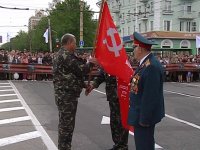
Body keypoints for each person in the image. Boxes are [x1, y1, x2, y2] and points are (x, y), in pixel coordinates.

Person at [53, 33, 96, 150]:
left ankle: (65, 147)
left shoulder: (64, 54)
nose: (76, 45)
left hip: (66, 95)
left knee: (66, 124)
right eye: (74, 43)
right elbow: (82, 70)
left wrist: (84, 85)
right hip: (66, 96)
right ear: (69, 43)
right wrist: (91, 62)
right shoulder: (65, 55)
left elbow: (73, 75)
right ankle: (64, 147)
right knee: (66, 126)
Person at [128, 32, 165, 150]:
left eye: (134, 47)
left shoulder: (151, 66)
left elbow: (150, 96)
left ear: (140, 49)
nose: (133, 51)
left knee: (144, 145)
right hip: (139, 113)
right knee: (143, 144)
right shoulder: (145, 64)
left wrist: (144, 119)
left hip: (143, 116)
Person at [86, 69, 129, 150]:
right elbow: (101, 76)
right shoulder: (107, 63)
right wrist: (93, 85)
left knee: (121, 121)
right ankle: (117, 144)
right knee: (114, 121)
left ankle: (122, 146)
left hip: (121, 96)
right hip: (112, 97)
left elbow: (127, 76)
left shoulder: (120, 62)